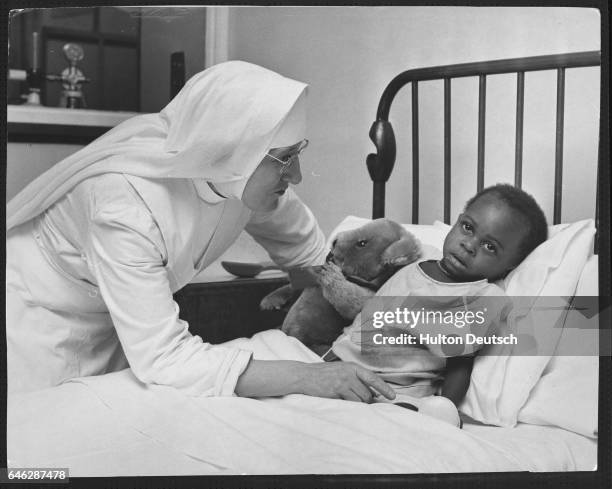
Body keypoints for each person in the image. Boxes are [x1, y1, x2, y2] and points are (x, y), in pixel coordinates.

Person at [6, 60, 395, 404]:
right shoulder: (123, 205)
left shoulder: (241, 179)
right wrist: (310, 377)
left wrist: (377, 311)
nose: (295, 174)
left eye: (297, 153)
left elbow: (309, 258)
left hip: (121, 323)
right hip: (43, 320)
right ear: (231, 151)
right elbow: (164, 357)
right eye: (285, 159)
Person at [327, 184, 548, 411]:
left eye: (490, 247)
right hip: (342, 362)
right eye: (468, 227)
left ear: (511, 264)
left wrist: (448, 408)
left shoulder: (481, 296)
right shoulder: (416, 261)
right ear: (458, 220)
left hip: (395, 389)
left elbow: (460, 364)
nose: (469, 245)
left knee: (401, 415)